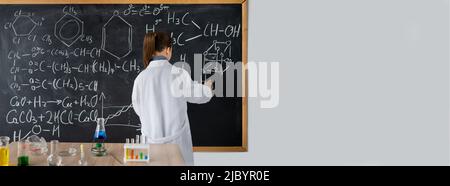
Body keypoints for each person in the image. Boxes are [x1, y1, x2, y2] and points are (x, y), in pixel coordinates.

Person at [132, 32, 213, 165]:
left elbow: (138, 109)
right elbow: (199, 95)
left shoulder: (141, 78)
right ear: (168, 49)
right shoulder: (178, 74)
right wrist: (207, 88)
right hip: (178, 146)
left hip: (151, 146)